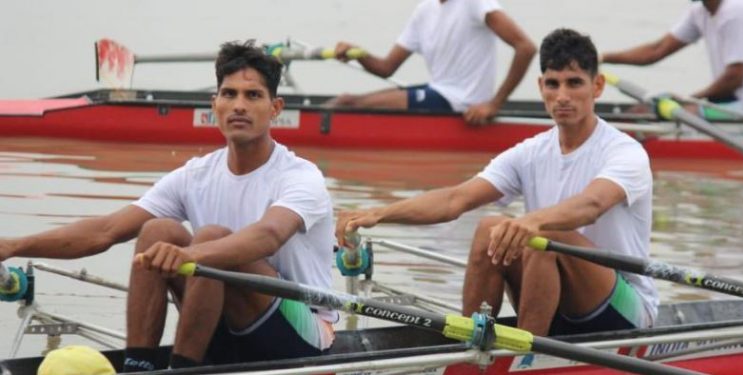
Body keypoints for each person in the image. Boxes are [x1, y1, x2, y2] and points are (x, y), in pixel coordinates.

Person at [0, 40, 336, 371]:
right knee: (158, 231)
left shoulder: (301, 177)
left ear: (275, 108)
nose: (239, 106)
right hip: (221, 324)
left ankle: (182, 367)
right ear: (214, 104)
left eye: (253, 96)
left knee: (208, 237)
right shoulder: (196, 175)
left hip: (301, 335)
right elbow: (106, 231)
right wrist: (14, 246)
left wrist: (193, 255)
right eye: (229, 94)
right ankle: (139, 365)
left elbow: (269, 235)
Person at [336, 28, 658, 336]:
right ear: (540, 86)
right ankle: (474, 348)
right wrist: (380, 213)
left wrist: (533, 221)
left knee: (544, 232)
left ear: (597, 86)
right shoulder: (531, 152)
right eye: (553, 84)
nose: (562, 96)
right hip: (556, 299)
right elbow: (454, 200)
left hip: (624, 308)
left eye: (574, 83)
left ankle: (525, 358)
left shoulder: (625, 152)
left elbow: (592, 205)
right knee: (489, 228)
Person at [329, 0, 536, 125]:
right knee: (346, 100)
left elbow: (526, 47)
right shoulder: (424, 11)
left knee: (348, 103)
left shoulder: (475, 2)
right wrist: (359, 54)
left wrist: (494, 104)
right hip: (438, 92)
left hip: (465, 103)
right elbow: (386, 68)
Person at [601, 0, 743, 119]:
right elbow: (656, 50)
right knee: (641, 111)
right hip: (729, 101)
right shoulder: (699, 10)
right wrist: (603, 58)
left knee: (686, 112)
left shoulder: (736, 10)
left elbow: (734, 77)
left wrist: (689, 99)